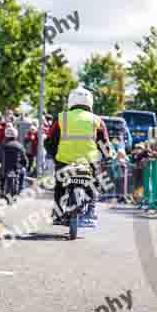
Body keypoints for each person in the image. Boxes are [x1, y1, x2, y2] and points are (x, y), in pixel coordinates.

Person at [44, 86, 112, 226]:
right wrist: (107, 156)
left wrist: (54, 155)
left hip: (64, 161)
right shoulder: (97, 120)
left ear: (71, 101)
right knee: (95, 184)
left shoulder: (61, 118)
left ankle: (58, 214)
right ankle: (91, 211)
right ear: (90, 102)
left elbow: (50, 141)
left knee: (60, 186)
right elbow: (105, 144)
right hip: (89, 163)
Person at [0, 126, 28, 200]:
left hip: (6, 168)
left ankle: (1, 190)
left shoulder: (3, 145)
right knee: (23, 172)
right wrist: (25, 164)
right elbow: (24, 158)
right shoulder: (20, 146)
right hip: (17, 168)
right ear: (16, 135)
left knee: (1, 175)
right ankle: (21, 190)